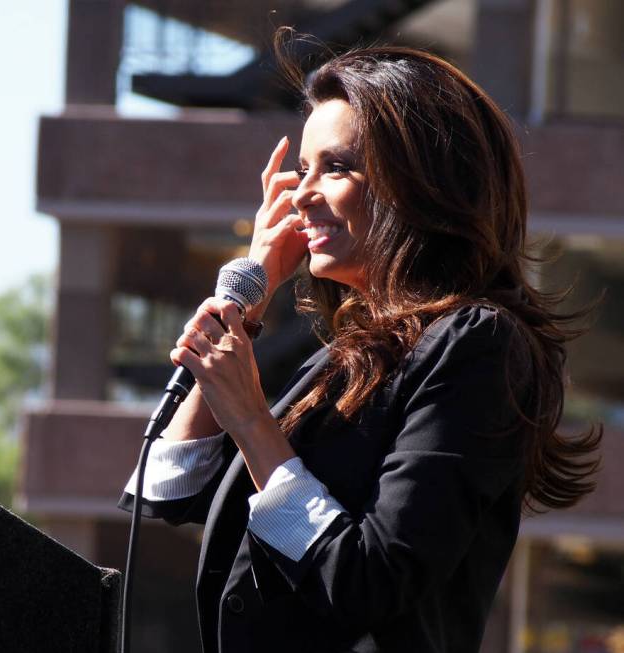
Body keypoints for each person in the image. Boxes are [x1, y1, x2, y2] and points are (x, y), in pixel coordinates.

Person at [119, 44, 601, 653]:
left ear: (420, 183)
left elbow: (372, 579)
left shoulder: (480, 344)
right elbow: (171, 488)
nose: (300, 195)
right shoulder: (346, 356)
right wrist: (252, 289)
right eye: (302, 168)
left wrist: (249, 415)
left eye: (337, 167)